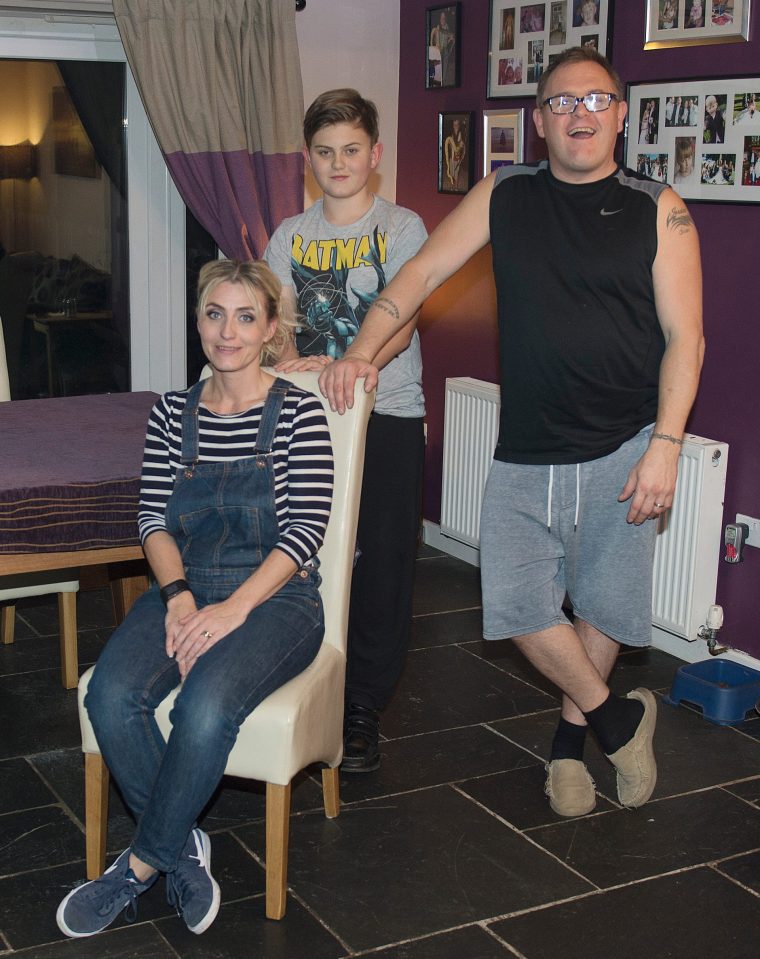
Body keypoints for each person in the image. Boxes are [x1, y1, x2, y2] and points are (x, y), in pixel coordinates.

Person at [319, 47, 704, 818]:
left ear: (621, 115)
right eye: (562, 103)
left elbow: (685, 338)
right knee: (517, 600)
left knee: (598, 603)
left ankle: (568, 746)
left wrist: (666, 443)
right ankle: (618, 717)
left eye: (596, 101)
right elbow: (422, 274)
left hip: (628, 441)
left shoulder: (658, 207)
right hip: (528, 440)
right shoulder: (505, 193)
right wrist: (361, 350)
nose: (580, 116)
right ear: (539, 120)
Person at [55, 259, 334, 937]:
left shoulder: (299, 413)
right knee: (109, 694)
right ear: (198, 320)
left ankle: (141, 866)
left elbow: (304, 529)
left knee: (208, 705)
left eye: (245, 316)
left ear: (271, 327)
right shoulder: (169, 414)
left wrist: (232, 609)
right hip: (187, 585)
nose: (227, 330)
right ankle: (183, 849)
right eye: (215, 313)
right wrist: (178, 596)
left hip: (277, 596)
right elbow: (152, 519)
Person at [265, 89, 427, 773]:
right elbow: (271, 329)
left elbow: (406, 319)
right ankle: (306, 685)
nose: (339, 163)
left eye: (352, 150)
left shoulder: (403, 227)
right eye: (325, 152)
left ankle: (361, 709)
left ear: (375, 155)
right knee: (310, 559)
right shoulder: (286, 237)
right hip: (306, 424)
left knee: (382, 567)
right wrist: (289, 359)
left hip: (387, 416)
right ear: (309, 160)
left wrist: (351, 363)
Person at [430, 9, 455, 87]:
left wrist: (452, 40)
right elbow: (432, 35)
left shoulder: (448, 29)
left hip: (445, 51)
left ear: (446, 19)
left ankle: (443, 84)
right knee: (437, 69)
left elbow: (451, 40)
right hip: (438, 51)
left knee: (445, 68)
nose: (442, 19)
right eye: (441, 18)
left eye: (444, 18)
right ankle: (437, 83)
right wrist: (432, 45)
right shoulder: (437, 28)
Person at [445, 116, 468, 191]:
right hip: (451, 156)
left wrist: (460, 145)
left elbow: (461, 145)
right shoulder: (450, 134)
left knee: (456, 172)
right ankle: (452, 186)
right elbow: (448, 144)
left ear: (459, 125)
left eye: (457, 124)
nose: (456, 126)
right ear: (452, 125)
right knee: (451, 172)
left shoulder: (460, 134)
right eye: (454, 124)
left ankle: (456, 187)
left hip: (457, 157)